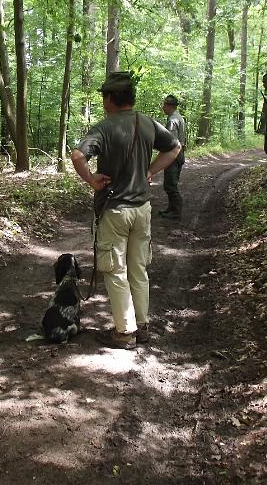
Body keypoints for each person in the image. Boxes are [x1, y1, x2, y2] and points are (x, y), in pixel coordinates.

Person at [71, 71, 182, 349]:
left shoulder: (104, 128)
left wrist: (91, 179)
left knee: (116, 270)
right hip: (142, 209)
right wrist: (150, 171)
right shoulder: (148, 123)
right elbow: (175, 147)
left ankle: (125, 332)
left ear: (110, 98)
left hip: (115, 211)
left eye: (103, 96)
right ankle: (141, 326)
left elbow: (77, 155)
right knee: (138, 269)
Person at [159, 94, 186, 220]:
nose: (163, 107)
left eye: (164, 105)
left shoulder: (172, 120)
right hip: (179, 153)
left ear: (170, 106)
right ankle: (171, 208)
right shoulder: (178, 117)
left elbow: (171, 141)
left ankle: (176, 211)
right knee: (171, 183)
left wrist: (165, 155)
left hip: (174, 154)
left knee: (170, 185)